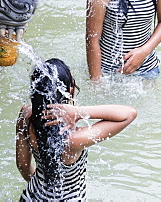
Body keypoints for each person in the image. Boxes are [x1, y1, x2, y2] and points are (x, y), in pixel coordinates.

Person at [16, 58, 136, 201]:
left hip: (30, 197)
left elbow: (22, 166)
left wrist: (44, 190)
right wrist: (79, 112)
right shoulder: (73, 139)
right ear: (69, 90)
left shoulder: (26, 116)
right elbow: (129, 113)